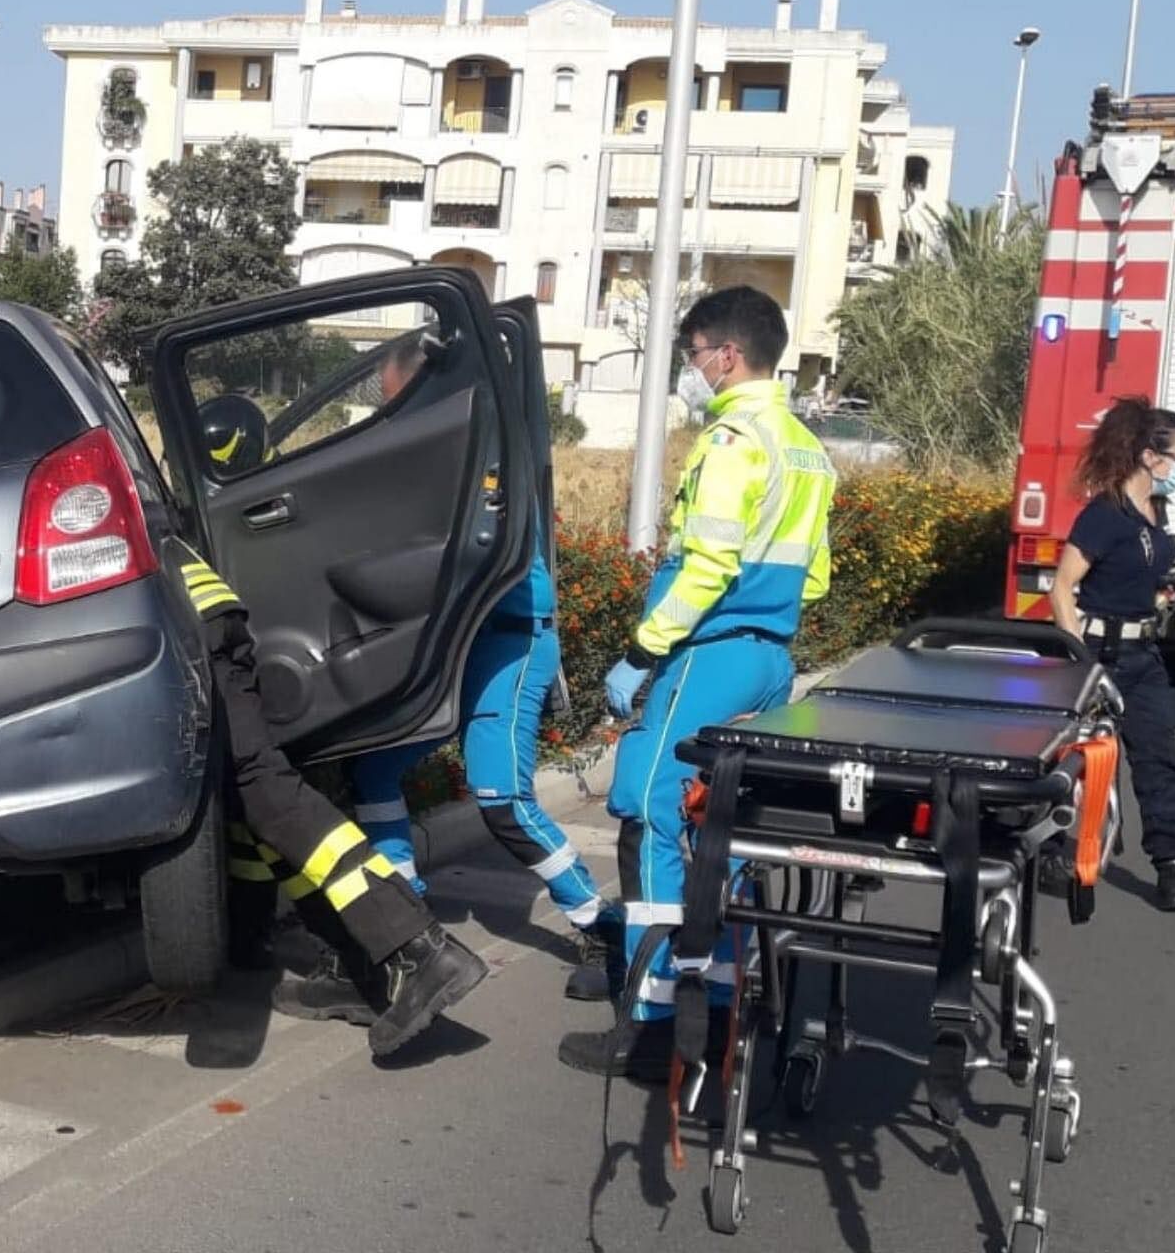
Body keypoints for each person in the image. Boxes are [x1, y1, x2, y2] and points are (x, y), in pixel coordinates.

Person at [283, 334, 625, 1018]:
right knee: (376, 772)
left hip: (507, 639)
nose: (385, 414)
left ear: (422, 392)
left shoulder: (477, 452)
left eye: (391, 399)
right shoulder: (422, 456)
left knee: (502, 798)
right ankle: (405, 932)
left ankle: (601, 929)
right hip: (451, 642)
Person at [557, 286, 836, 1079]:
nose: (691, 370)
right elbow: (813, 577)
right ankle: (722, 1005)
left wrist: (645, 652)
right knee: (723, 827)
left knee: (651, 814)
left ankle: (652, 1024)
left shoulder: (734, 441)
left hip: (708, 654)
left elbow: (706, 565)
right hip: (769, 655)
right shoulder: (805, 445)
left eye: (693, 353)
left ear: (726, 353)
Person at [177, 545, 490, 1055]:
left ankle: (416, 949)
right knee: (249, 795)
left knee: (263, 786)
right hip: (206, 609)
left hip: (183, 622)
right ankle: (356, 961)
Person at [1047, 397, 1175, 911]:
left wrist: (1168, 589)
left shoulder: (1153, 510)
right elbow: (1061, 589)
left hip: (1144, 657)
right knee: (1079, 763)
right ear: (1148, 456)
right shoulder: (1105, 513)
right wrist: (1082, 664)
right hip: (1101, 654)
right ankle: (1052, 853)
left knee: (1159, 760)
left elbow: (1133, 570)